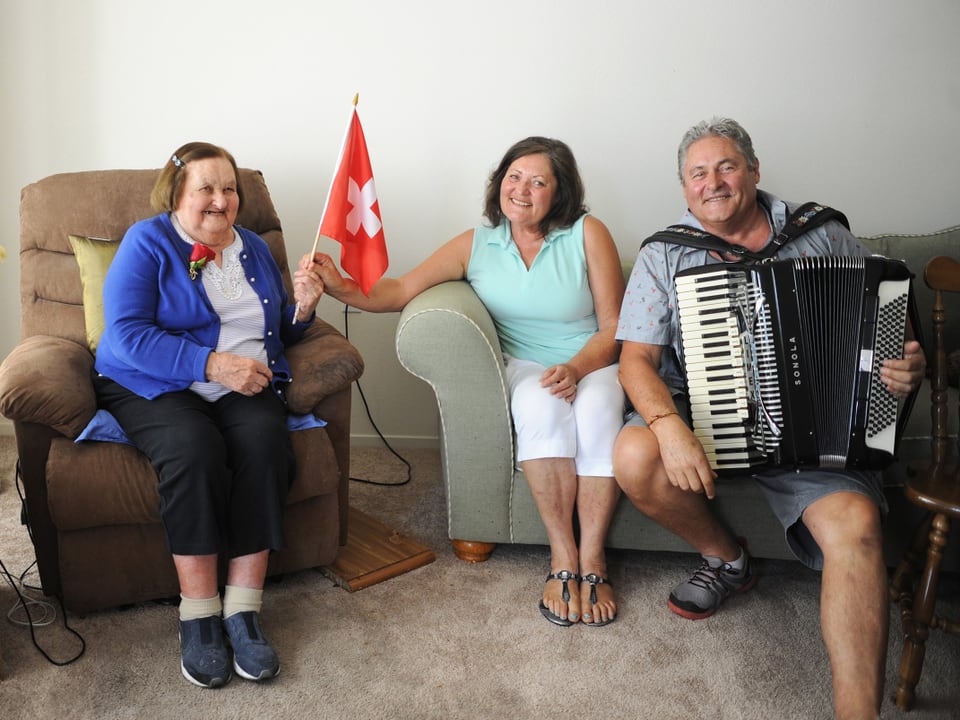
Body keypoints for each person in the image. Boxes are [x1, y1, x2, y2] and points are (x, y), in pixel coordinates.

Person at [614, 117, 925, 720]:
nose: (714, 182)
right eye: (697, 174)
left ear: (754, 171)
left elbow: (889, 320)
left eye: (726, 166)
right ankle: (727, 558)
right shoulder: (664, 254)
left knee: (857, 524)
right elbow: (636, 362)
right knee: (632, 455)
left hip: (813, 438)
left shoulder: (824, 234)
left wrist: (905, 365)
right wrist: (667, 427)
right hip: (699, 419)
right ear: (684, 190)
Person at [310, 136, 625, 626]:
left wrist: (579, 368)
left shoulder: (588, 232)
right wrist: (338, 284)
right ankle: (563, 557)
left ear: (559, 193)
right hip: (526, 364)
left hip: (593, 361)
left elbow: (613, 328)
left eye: (538, 181)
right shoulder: (476, 243)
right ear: (499, 183)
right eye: (513, 177)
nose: (522, 189)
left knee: (598, 411)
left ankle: (594, 561)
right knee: (541, 408)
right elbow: (398, 291)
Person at [93, 142, 326, 688]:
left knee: (266, 445)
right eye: (206, 188)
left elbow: (274, 332)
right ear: (176, 194)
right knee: (193, 450)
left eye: (230, 188)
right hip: (151, 380)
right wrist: (211, 364)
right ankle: (198, 616)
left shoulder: (254, 248)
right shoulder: (147, 242)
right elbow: (124, 335)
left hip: (240, 380)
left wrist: (306, 309)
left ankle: (243, 610)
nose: (221, 199)